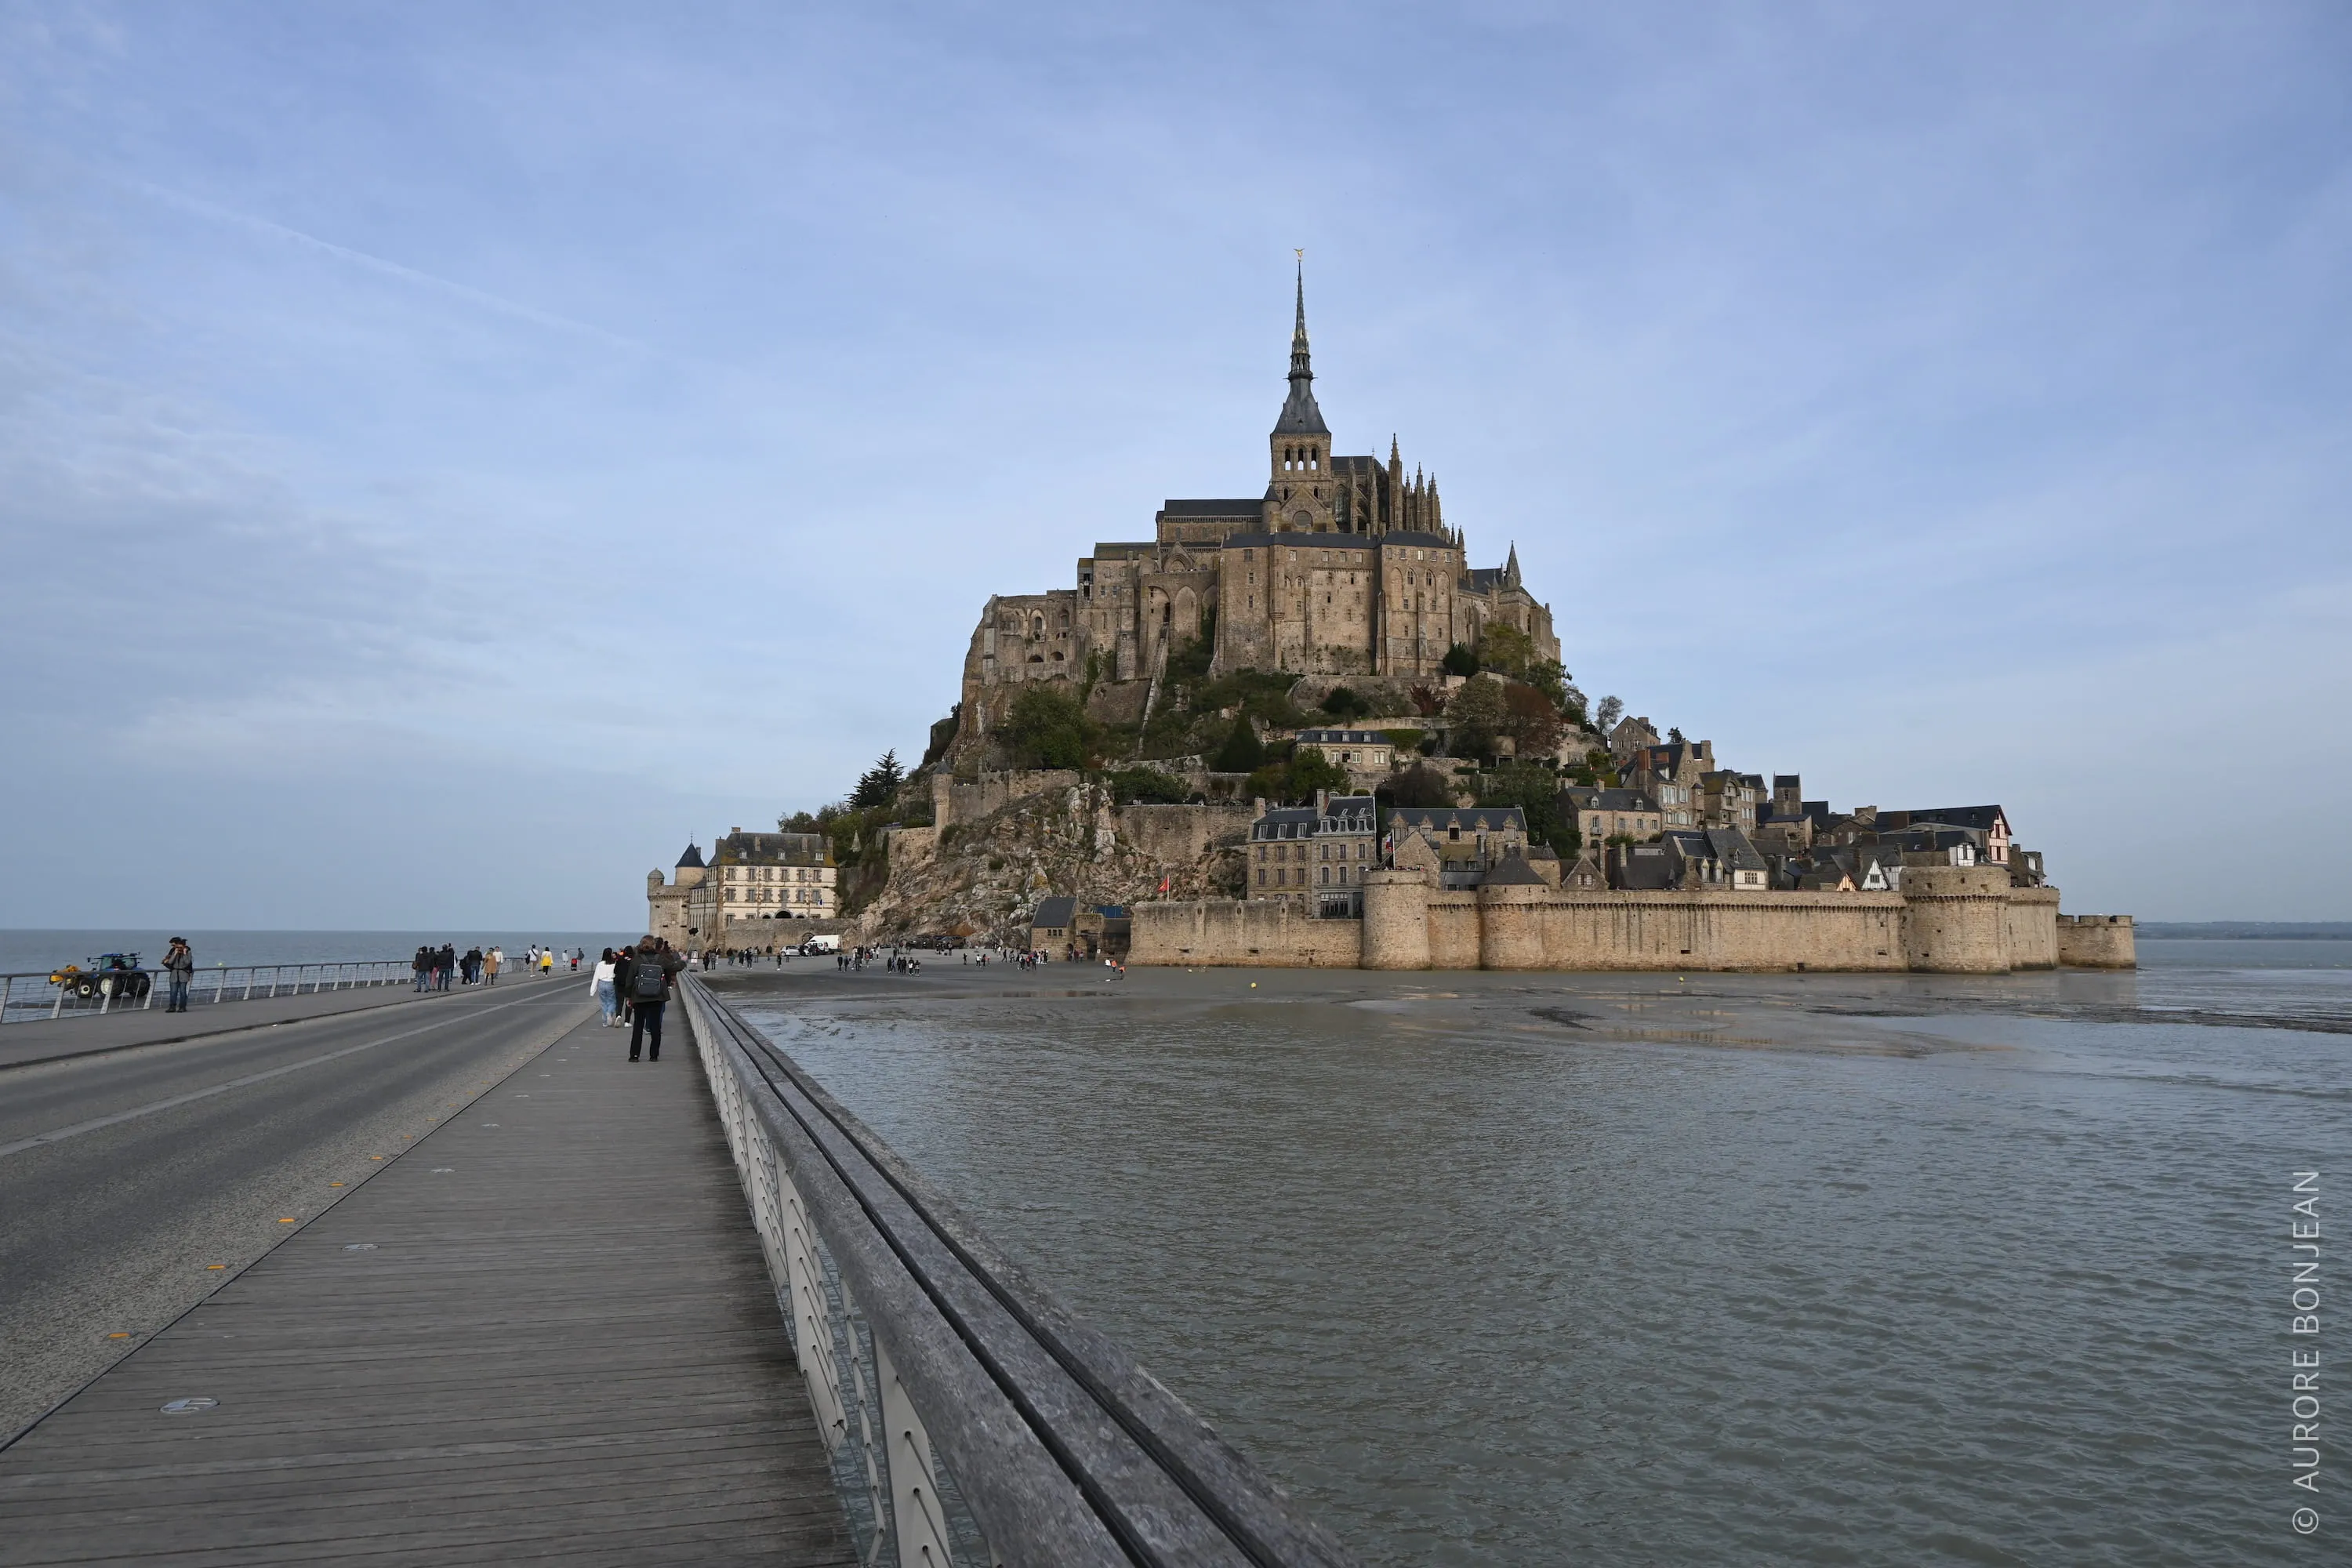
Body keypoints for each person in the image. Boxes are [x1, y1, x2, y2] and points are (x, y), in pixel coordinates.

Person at [626, 936, 684, 1062]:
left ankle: (634, 1055)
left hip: (640, 997)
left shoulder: (636, 960)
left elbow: (629, 981)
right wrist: (683, 961)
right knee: (655, 1026)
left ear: (641, 945)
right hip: (657, 996)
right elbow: (675, 967)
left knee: (638, 1026)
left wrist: (629, 997)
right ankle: (654, 1055)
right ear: (654, 945)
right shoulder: (660, 959)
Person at [162, 937, 194, 1012]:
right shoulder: (174, 952)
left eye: (180, 947)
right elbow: (170, 962)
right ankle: (172, 1007)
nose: (179, 949)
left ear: (184, 947)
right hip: (174, 974)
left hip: (183, 974)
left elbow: (187, 962)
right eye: (177, 947)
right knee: (173, 991)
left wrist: (184, 953)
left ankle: (182, 1007)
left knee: (183, 991)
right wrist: (175, 954)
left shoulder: (188, 952)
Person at [590, 947, 619, 1026]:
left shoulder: (600, 964)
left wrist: (593, 990)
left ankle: (605, 1021)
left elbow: (596, 977)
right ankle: (610, 1012)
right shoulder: (614, 963)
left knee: (604, 1002)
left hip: (602, 983)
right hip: (611, 983)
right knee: (612, 1001)